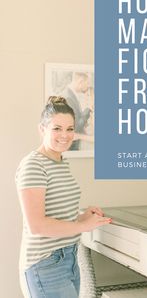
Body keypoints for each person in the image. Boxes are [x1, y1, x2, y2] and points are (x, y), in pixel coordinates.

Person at [15, 96, 111, 298]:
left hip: (68, 258)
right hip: (46, 264)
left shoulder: (60, 163)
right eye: (57, 128)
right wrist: (83, 227)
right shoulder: (33, 165)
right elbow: (37, 225)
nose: (64, 135)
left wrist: (82, 217)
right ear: (42, 129)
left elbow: (57, 216)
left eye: (69, 129)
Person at [62, 72, 94, 150]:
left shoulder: (69, 94)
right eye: (87, 83)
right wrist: (87, 111)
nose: (87, 87)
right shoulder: (68, 97)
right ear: (80, 82)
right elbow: (75, 126)